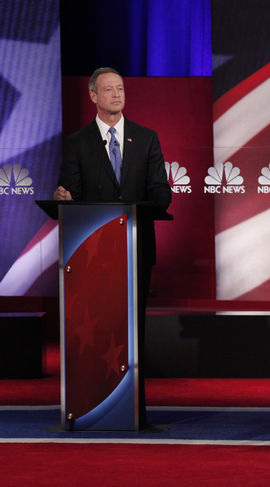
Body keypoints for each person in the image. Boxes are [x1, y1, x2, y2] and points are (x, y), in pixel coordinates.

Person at [54, 67, 172, 426]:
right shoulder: (77, 143)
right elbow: (68, 195)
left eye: (120, 89)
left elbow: (162, 195)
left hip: (135, 251)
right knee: (96, 330)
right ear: (93, 96)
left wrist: (136, 209)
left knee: (132, 333)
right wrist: (64, 198)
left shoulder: (146, 138)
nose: (117, 95)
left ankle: (133, 409)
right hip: (92, 257)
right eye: (108, 90)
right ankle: (92, 405)